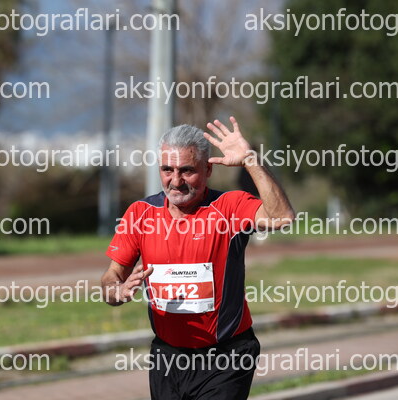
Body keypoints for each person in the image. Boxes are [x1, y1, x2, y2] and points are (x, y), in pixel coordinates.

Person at [101, 116, 295, 400]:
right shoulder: (140, 213)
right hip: (168, 357)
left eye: (187, 171)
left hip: (226, 357)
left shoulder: (229, 206)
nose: (176, 181)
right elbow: (111, 277)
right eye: (167, 170)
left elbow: (282, 217)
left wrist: (250, 160)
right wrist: (115, 291)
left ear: (208, 169)